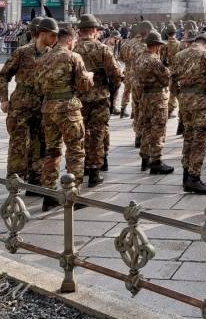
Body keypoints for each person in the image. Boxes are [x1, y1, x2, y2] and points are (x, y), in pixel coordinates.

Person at [26, 26, 92, 211]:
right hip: (68, 109)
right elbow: (83, 84)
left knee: (52, 151)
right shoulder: (73, 57)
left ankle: (49, 195)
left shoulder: (44, 57)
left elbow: (37, 85)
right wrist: (90, 78)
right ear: (70, 40)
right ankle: (73, 195)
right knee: (75, 151)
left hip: (48, 109)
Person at [0, 17, 55, 193]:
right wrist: (4, 99)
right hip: (20, 104)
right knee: (18, 143)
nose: (54, 38)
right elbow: (2, 76)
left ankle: (35, 180)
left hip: (43, 104)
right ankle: (15, 180)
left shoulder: (53, 55)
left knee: (40, 142)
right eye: (51, 35)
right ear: (41, 34)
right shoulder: (22, 52)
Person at [74, 14, 123, 185]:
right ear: (95, 31)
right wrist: (111, 89)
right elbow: (117, 75)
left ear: (79, 31)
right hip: (100, 97)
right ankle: (94, 171)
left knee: (80, 133)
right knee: (97, 133)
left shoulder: (72, 49)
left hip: (78, 98)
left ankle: (81, 167)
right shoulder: (103, 49)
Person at [171, 30, 206, 194]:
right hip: (200, 101)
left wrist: (180, 96)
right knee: (200, 138)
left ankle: (185, 174)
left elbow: (173, 80)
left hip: (184, 100)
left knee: (188, 136)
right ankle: (194, 177)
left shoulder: (180, 54)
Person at [130, 31, 173, 174]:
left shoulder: (139, 58)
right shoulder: (154, 60)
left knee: (146, 128)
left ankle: (145, 158)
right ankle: (156, 161)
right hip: (157, 98)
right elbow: (166, 79)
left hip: (144, 97)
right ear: (156, 46)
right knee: (158, 129)